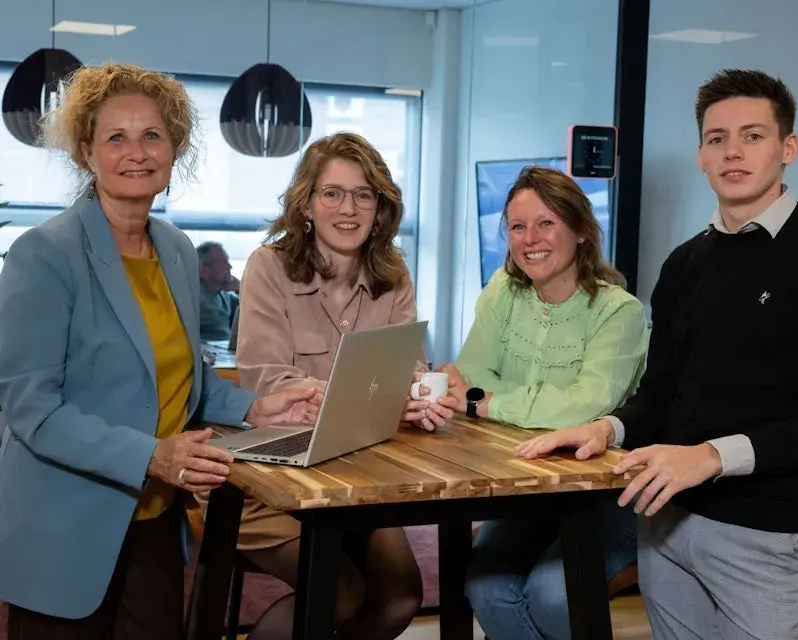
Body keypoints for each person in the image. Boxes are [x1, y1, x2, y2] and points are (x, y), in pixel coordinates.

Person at [0, 62, 320, 640]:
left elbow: (178, 376)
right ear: (85, 153)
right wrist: (153, 456)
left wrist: (254, 408)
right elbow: (33, 411)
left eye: (153, 135)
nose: (137, 152)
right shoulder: (43, 255)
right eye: (115, 137)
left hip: (154, 518)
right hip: (64, 526)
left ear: (175, 148)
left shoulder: (175, 248)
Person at [520, 69, 798, 640]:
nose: (733, 152)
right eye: (717, 138)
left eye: (752, 135)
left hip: (768, 537)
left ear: (788, 148)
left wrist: (713, 456)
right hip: (665, 523)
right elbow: (662, 393)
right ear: (701, 154)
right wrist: (608, 429)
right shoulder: (684, 263)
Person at [196, 131, 457, 640]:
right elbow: (270, 383)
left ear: (380, 208)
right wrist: (379, 397)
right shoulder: (269, 267)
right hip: (262, 480)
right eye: (332, 193)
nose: (348, 208)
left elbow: (408, 367)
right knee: (338, 590)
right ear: (307, 203)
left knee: (401, 596)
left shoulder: (394, 272)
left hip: (357, 475)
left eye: (364, 195)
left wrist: (419, 398)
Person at [439, 166, 648, 640]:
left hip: (608, 495)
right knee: (487, 589)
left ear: (579, 230)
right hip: (525, 490)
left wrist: (485, 403)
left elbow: (585, 407)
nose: (530, 238)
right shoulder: (502, 291)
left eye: (546, 222)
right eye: (517, 226)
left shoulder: (620, 312)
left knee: (555, 592)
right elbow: (473, 376)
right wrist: (482, 397)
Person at [197, 241, 240, 342]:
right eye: (223, 262)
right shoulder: (193, 296)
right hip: (205, 352)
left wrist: (240, 289)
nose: (230, 267)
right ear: (204, 270)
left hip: (223, 351)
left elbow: (254, 307)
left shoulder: (224, 294)